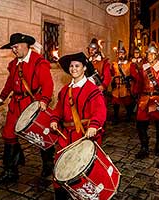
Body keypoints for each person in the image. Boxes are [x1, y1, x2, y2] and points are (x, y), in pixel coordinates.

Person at [0, 33, 54, 186]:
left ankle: (48, 165)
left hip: (32, 104)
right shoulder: (13, 64)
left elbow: (48, 84)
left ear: (26, 45)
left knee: (41, 136)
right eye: (12, 47)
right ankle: (10, 172)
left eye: (16, 46)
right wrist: (2, 97)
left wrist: (44, 100)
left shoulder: (39, 62)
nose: (14, 50)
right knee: (8, 135)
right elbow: (9, 83)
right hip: (16, 104)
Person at [50, 52, 107, 199]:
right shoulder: (64, 90)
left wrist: (94, 125)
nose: (73, 68)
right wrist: (55, 119)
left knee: (82, 172)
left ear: (84, 68)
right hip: (66, 136)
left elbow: (100, 110)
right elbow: (58, 109)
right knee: (60, 169)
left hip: (84, 136)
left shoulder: (92, 89)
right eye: (71, 66)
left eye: (77, 66)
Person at [135, 43, 159, 159]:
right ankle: (144, 147)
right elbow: (139, 83)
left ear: (156, 55)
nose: (149, 56)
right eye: (148, 54)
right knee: (140, 123)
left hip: (157, 98)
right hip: (144, 98)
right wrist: (136, 94)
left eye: (151, 54)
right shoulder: (143, 67)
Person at [111, 45, 137, 124]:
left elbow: (134, 76)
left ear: (125, 54)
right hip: (117, 86)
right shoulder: (114, 64)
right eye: (119, 54)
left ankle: (129, 116)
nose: (121, 55)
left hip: (125, 86)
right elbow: (112, 73)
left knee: (127, 102)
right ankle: (115, 117)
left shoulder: (130, 64)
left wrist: (130, 79)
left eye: (122, 54)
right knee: (115, 102)